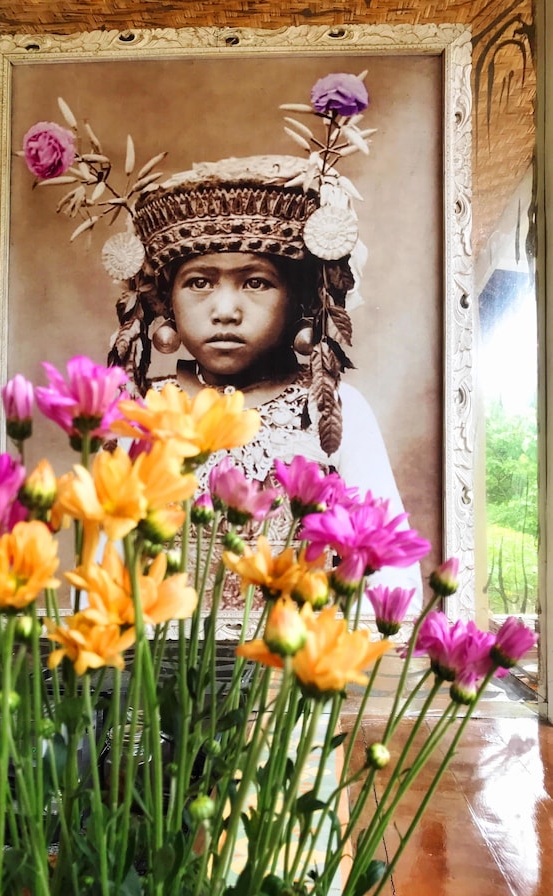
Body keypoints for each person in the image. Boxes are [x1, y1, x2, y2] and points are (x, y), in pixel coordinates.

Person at [106, 152, 424, 609]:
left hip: (296, 647)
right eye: (199, 283)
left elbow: (391, 573)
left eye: (255, 283)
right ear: (165, 302)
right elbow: (107, 571)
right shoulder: (140, 411)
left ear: (300, 302)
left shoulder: (332, 407)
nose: (225, 310)